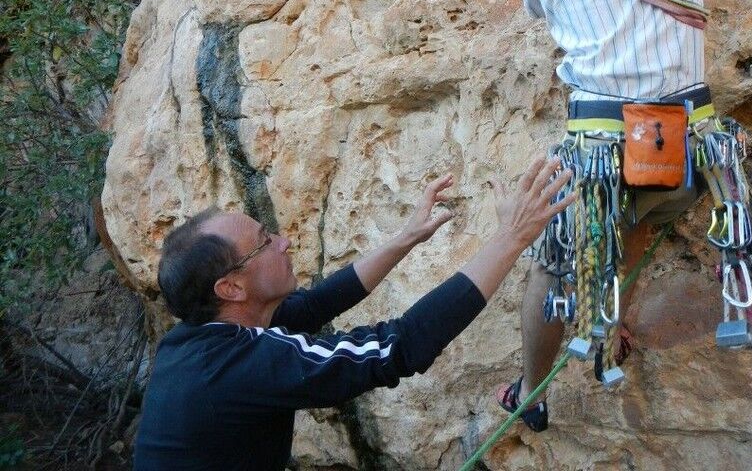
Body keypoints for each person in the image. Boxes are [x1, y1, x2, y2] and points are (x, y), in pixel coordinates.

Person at [134, 157, 574, 470]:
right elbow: (396, 348)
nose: (284, 241)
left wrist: (405, 238)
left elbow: (314, 305)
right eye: (265, 241)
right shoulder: (240, 365)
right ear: (230, 287)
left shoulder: (200, 338)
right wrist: (512, 238)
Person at [497, 0, 713, 432]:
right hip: (689, 145)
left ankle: (532, 394)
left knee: (552, 255)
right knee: (643, 209)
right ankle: (609, 317)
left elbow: (540, 12)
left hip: (609, 146)